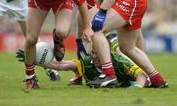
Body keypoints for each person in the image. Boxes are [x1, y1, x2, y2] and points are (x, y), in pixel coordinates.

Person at [16, 33, 151, 88]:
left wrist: (136, 88)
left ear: (106, 54)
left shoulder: (119, 62)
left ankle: (115, 41)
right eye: (93, 53)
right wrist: (33, 59)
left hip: (126, 71)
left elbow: (141, 75)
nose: (94, 56)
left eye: (98, 53)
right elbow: (60, 65)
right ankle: (77, 77)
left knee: (125, 49)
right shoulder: (86, 62)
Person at [88, 0, 168, 88]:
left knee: (96, 28)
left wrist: (102, 12)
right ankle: (157, 79)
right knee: (127, 48)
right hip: (134, 3)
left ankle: (109, 74)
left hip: (130, 2)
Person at [24, 0, 93, 90]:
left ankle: (58, 37)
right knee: (31, 39)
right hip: (39, 2)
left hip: (62, 2)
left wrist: (87, 27)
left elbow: (82, 2)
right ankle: (30, 77)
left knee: (62, 32)